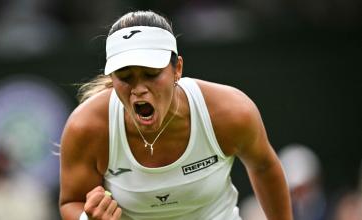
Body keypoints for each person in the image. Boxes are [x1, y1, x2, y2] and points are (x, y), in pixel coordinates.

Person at [59, 10, 292, 220]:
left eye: (151, 74)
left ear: (177, 69)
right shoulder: (86, 127)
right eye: (125, 77)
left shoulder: (230, 112)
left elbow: (264, 167)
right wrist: (87, 219)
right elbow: (71, 201)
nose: (139, 88)